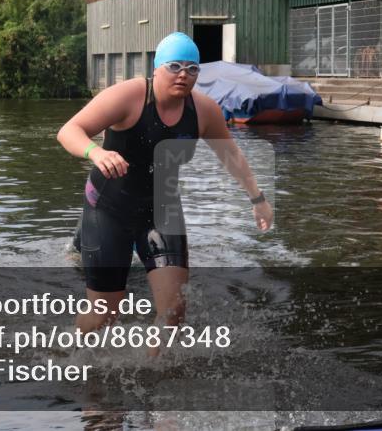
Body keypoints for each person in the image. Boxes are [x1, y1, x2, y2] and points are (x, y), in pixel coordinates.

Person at [57, 32, 273, 337]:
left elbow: (232, 157)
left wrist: (257, 199)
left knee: (173, 310)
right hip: (108, 208)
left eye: (192, 68)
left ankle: (152, 373)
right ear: (157, 68)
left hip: (162, 209)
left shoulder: (204, 111)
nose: (184, 75)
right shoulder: (130, 96)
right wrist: (96, 152)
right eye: (175, 66)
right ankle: (72, 354)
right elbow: (69, 130)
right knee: (104, 313)